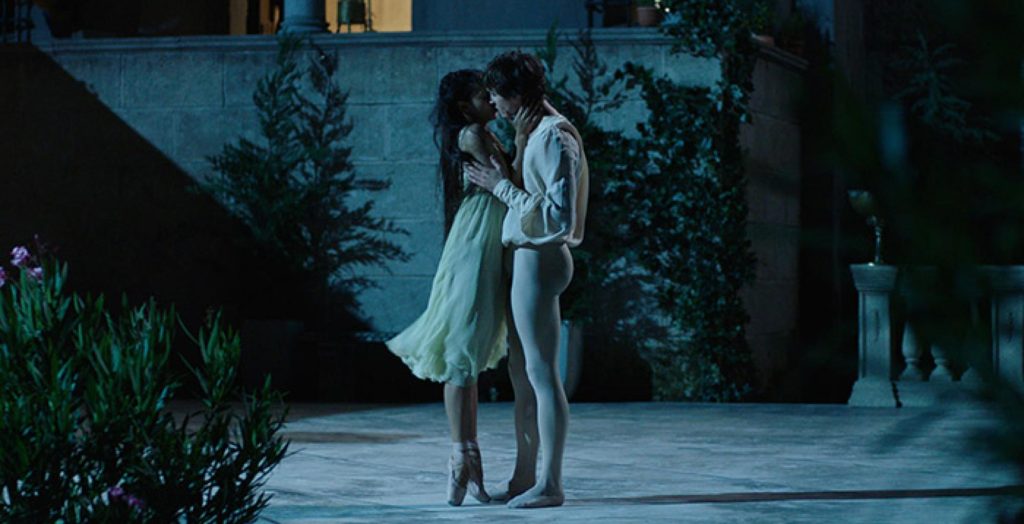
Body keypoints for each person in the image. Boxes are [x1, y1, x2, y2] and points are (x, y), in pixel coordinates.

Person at [385, 69, 540, 507]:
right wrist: (522, 135)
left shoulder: (482, 133)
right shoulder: (472, 134)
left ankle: (467, 457)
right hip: (476, 241)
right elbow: (509, 179)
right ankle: (461, 457)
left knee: (468, 352)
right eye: (480, 95)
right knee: (460, 346)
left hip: (487, 233)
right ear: (463, 106)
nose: (490, 100)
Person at [465, 51, 589, 509]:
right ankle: (525, 476)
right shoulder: (533, 132)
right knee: (524, 374)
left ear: (516, 94)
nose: (492, 104)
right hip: (529, 256)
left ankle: (550, 483)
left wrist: (499, 186)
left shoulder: (553, 135)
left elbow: (559, 217)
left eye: (497, 95)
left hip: (540, 256)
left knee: (540, 373)